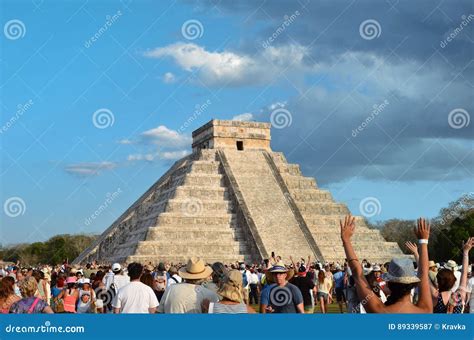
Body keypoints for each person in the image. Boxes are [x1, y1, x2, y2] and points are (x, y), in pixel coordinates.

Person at [341, 215, 433, 313]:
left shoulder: (379, 311)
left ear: (388, 283)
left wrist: (346, 241)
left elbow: (357, 273)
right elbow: (423, 273)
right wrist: (423, 241)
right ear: (413, 284)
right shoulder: (425, 310)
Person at [432, 237, 473, 313]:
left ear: (438, 281)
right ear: (454, 282)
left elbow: (424, 275)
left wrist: (417, 254)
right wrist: (466, 252)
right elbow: (464, 273)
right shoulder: (459, 296)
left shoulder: (435, 297)